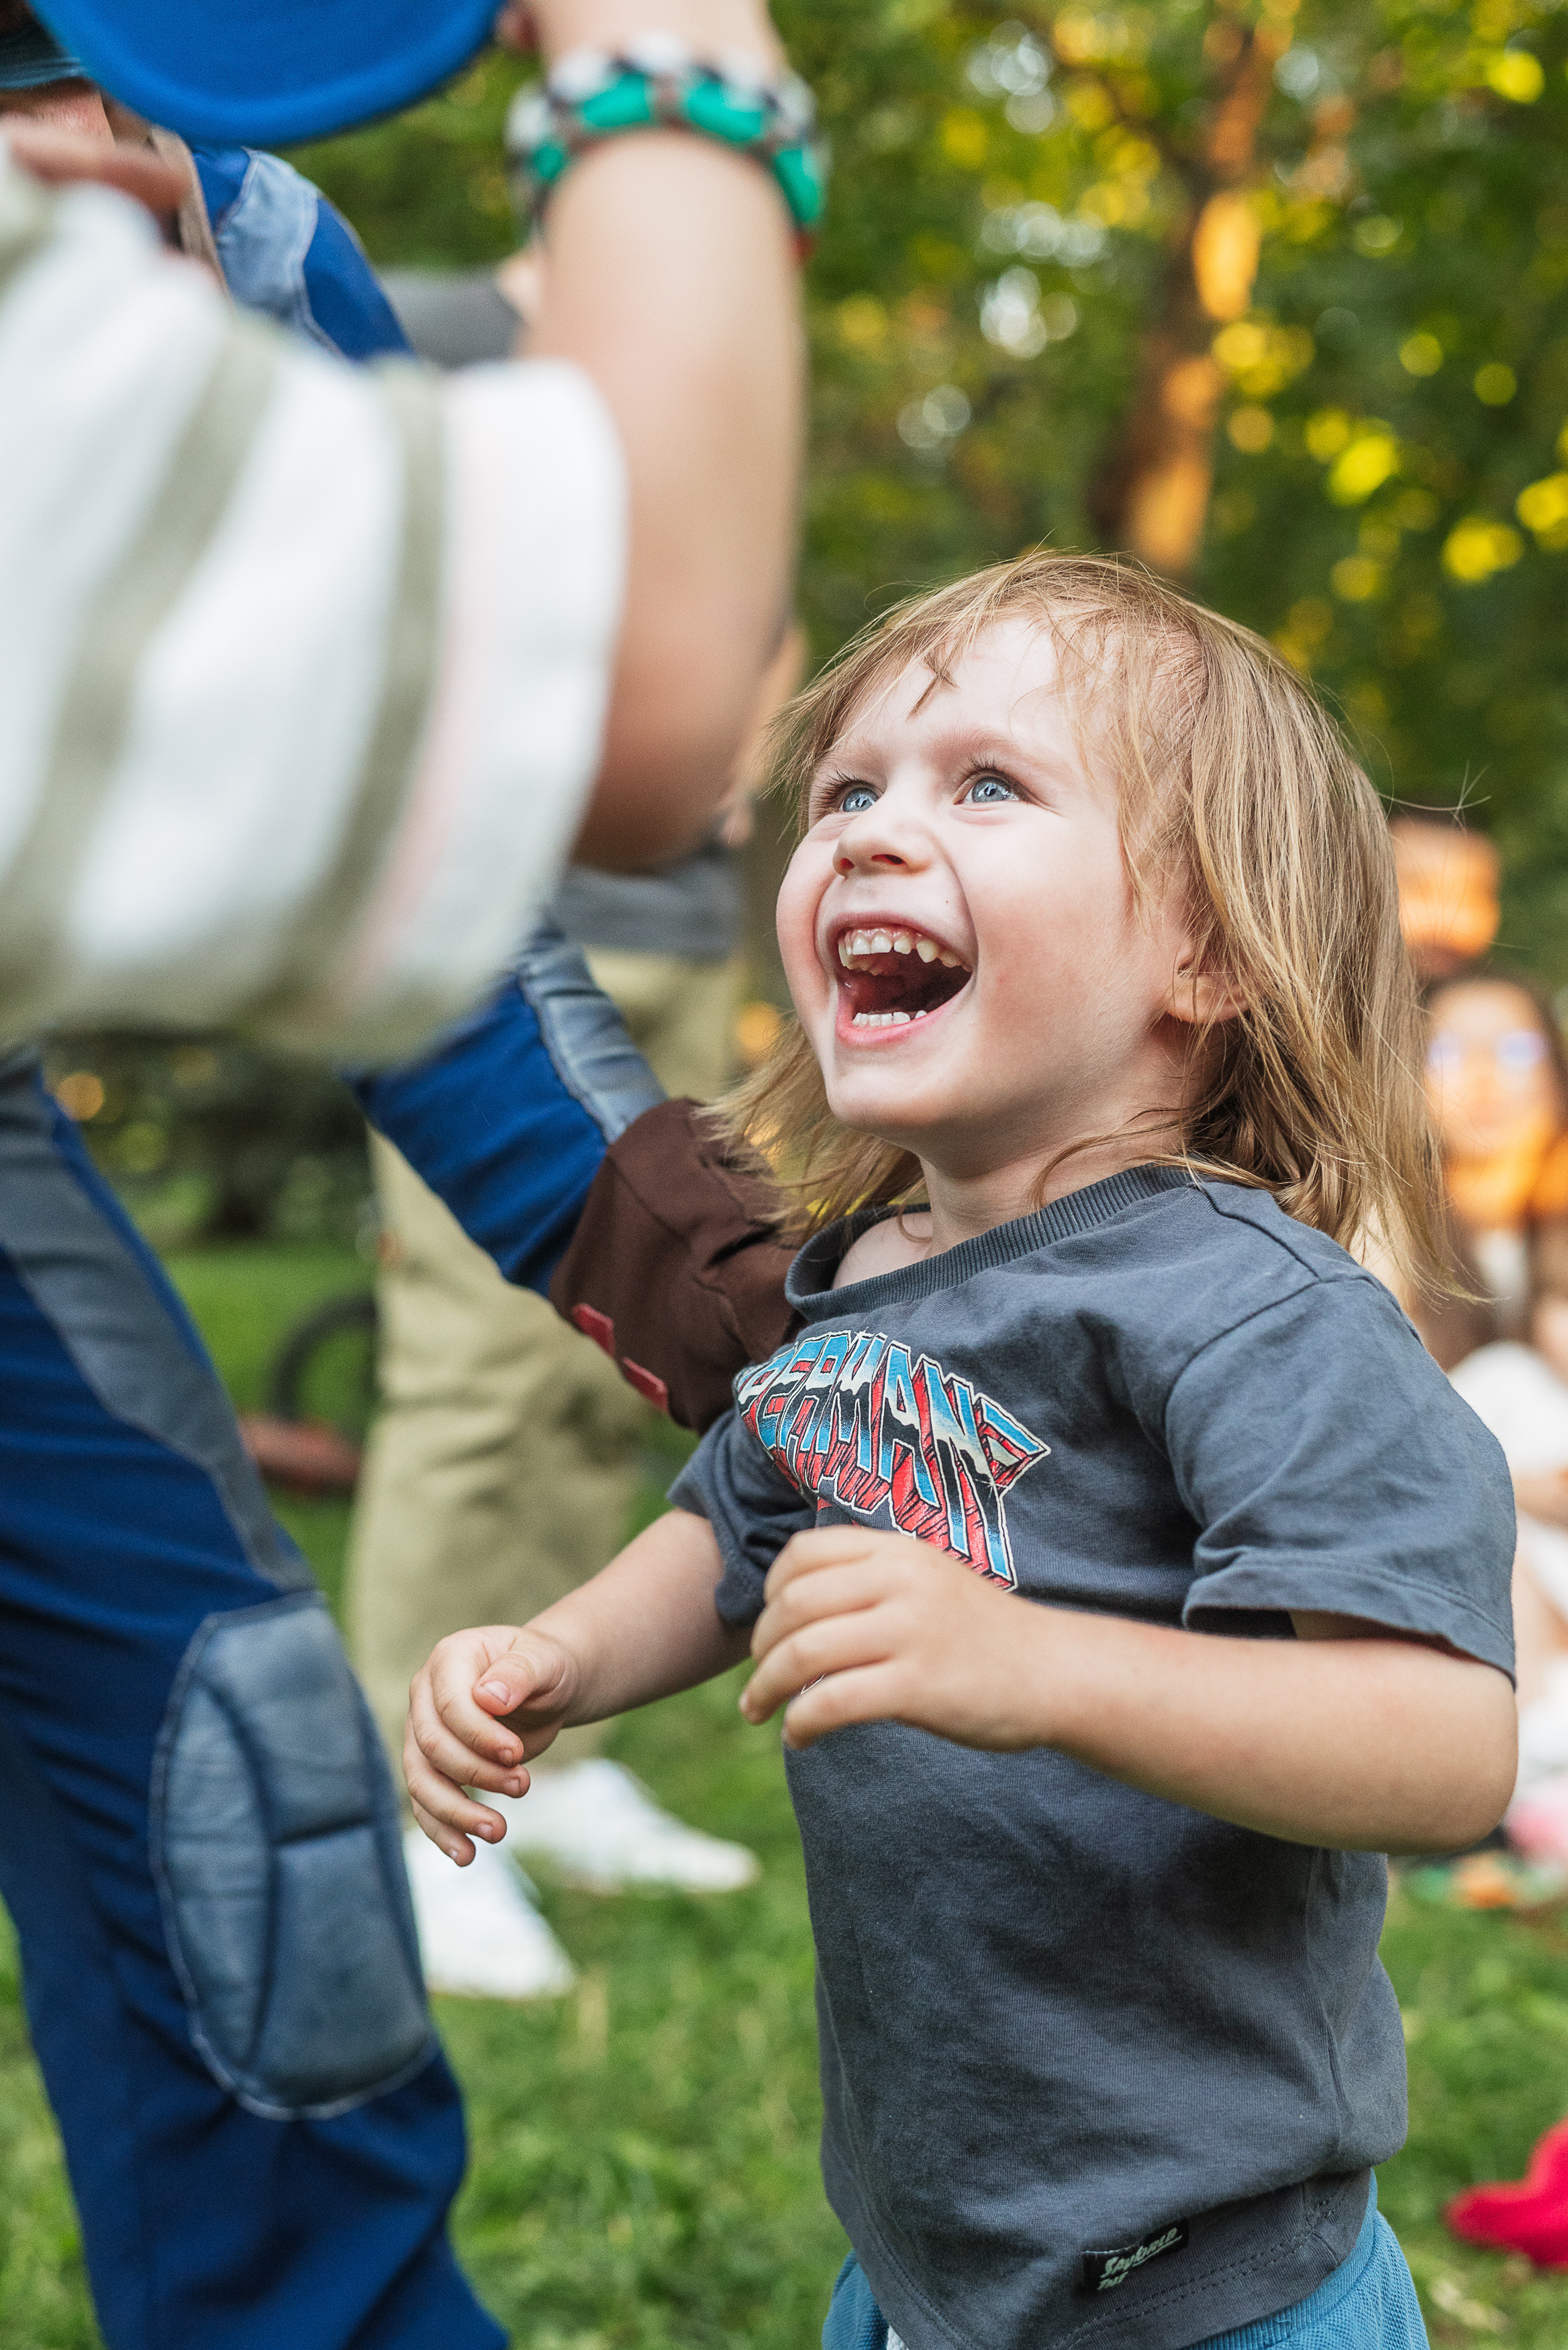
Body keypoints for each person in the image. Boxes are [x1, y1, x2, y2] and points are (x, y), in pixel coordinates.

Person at [407, 553, 1517, 2350]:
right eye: (847, 787)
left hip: (1211, 2287)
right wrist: (560, 1657)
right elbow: (742, 1504)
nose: (868, 830)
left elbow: (1446, 1745)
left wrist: (1039, 1664)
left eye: (988, 784)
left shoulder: (1254, 1311)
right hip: (932, 2265)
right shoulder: (855, 1280)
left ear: (1209, 952)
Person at [1, 0, 804, 1051]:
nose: (85, 157)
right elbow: (626, 676)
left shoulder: (266, 245)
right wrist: (673, 53)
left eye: (110, 89)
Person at [351, 625, 803, 2000]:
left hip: (679, 905)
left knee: (627, 1367)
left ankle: (560, 1764)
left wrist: (743, 733)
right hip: (491, 901)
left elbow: (753, 600)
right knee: (481, 1376)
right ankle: (417, 1808)